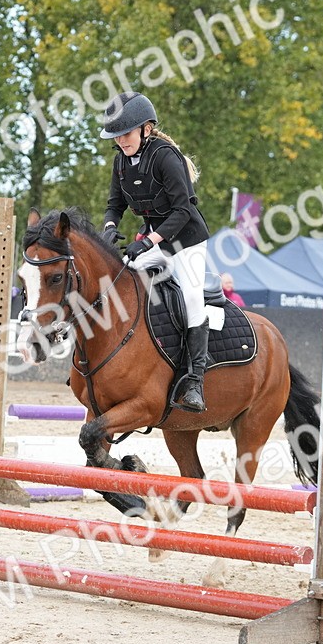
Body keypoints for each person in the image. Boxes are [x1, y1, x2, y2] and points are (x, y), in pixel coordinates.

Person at [100, 91, 211, 413]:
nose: (121, 140)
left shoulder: (165, 156)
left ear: (146, 129)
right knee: (118, 279)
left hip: (186, 240)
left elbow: (183, 211)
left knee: (192, 298)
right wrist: (109, 228)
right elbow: (114, 205)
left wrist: (149, 241)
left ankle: (195, 381)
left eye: (126, 133)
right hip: (154, 239)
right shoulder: (121, 162)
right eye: (116, 135)